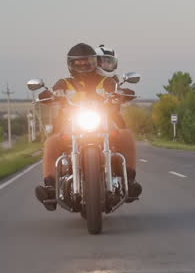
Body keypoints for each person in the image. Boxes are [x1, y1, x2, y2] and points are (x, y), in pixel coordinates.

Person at [34, 42, 141, 209]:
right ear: (71, 64)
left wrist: (122, 93)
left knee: (126, 135)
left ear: (94, 62)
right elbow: (51, 93)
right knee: (52, 142)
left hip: (102, 124)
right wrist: (48, 95)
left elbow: (117, 89)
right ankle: (50, 186)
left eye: (87, 62)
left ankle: (131, 180)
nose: (83, 65)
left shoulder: (106, 81)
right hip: (70, 126)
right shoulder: (64, 83)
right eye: (79, 63)